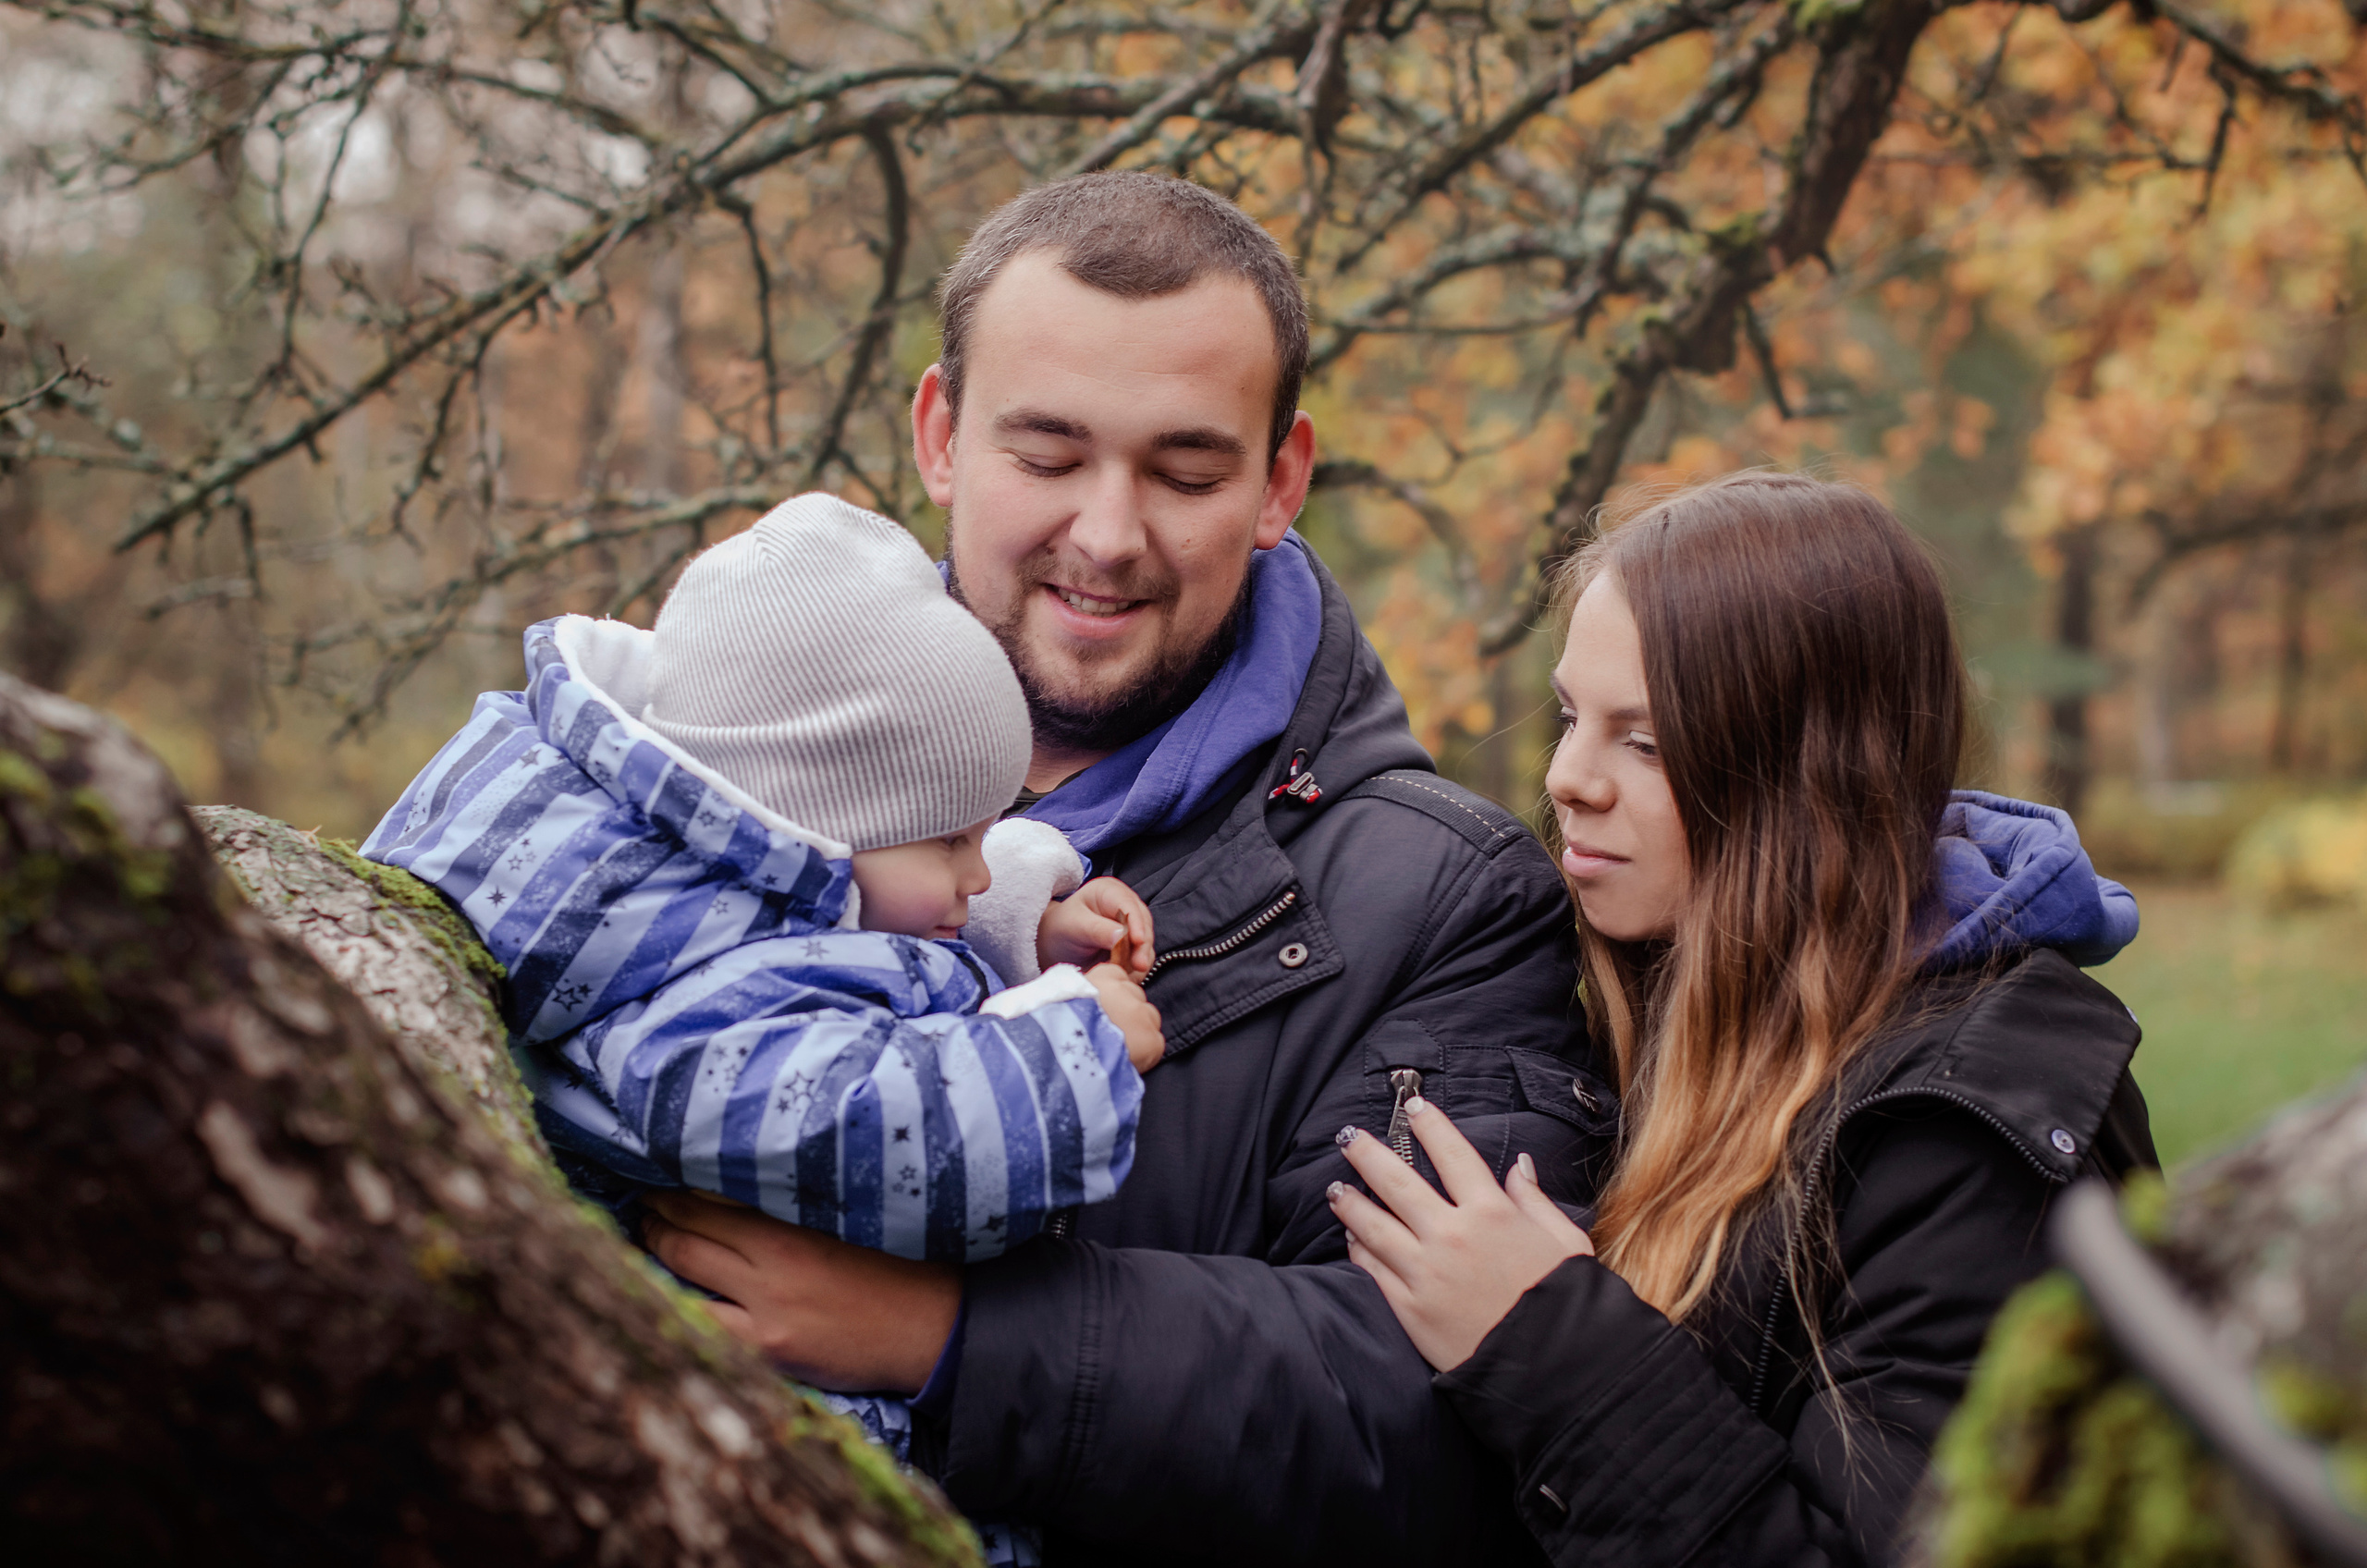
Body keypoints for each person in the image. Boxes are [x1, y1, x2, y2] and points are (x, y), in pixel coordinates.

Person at [635, 172, 1611, 1562]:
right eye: (1047, 456)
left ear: (1280, 481)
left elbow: (1447, 1422)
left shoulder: (1447, 903)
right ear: (940, 435)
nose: (1105, 533)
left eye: (1185, 471)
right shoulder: (725, 741)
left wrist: (956, 1340)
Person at [1327, 472, 2158, 1566]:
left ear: (1807, 777)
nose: (1566, 777)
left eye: (1647, 743)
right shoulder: (1642, 1013)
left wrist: (1547, 1344)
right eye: (1574, 716)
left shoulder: (1962, 1146)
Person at [357, 495, 1166, 1516]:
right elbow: (872, 1125)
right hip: (762, 1467)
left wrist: (1011, 919)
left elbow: (849, 899)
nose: (974, 869)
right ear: (808, 826)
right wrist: (1075, 1046)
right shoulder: (693, 1010)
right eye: (955, 841)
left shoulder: (680, 895)